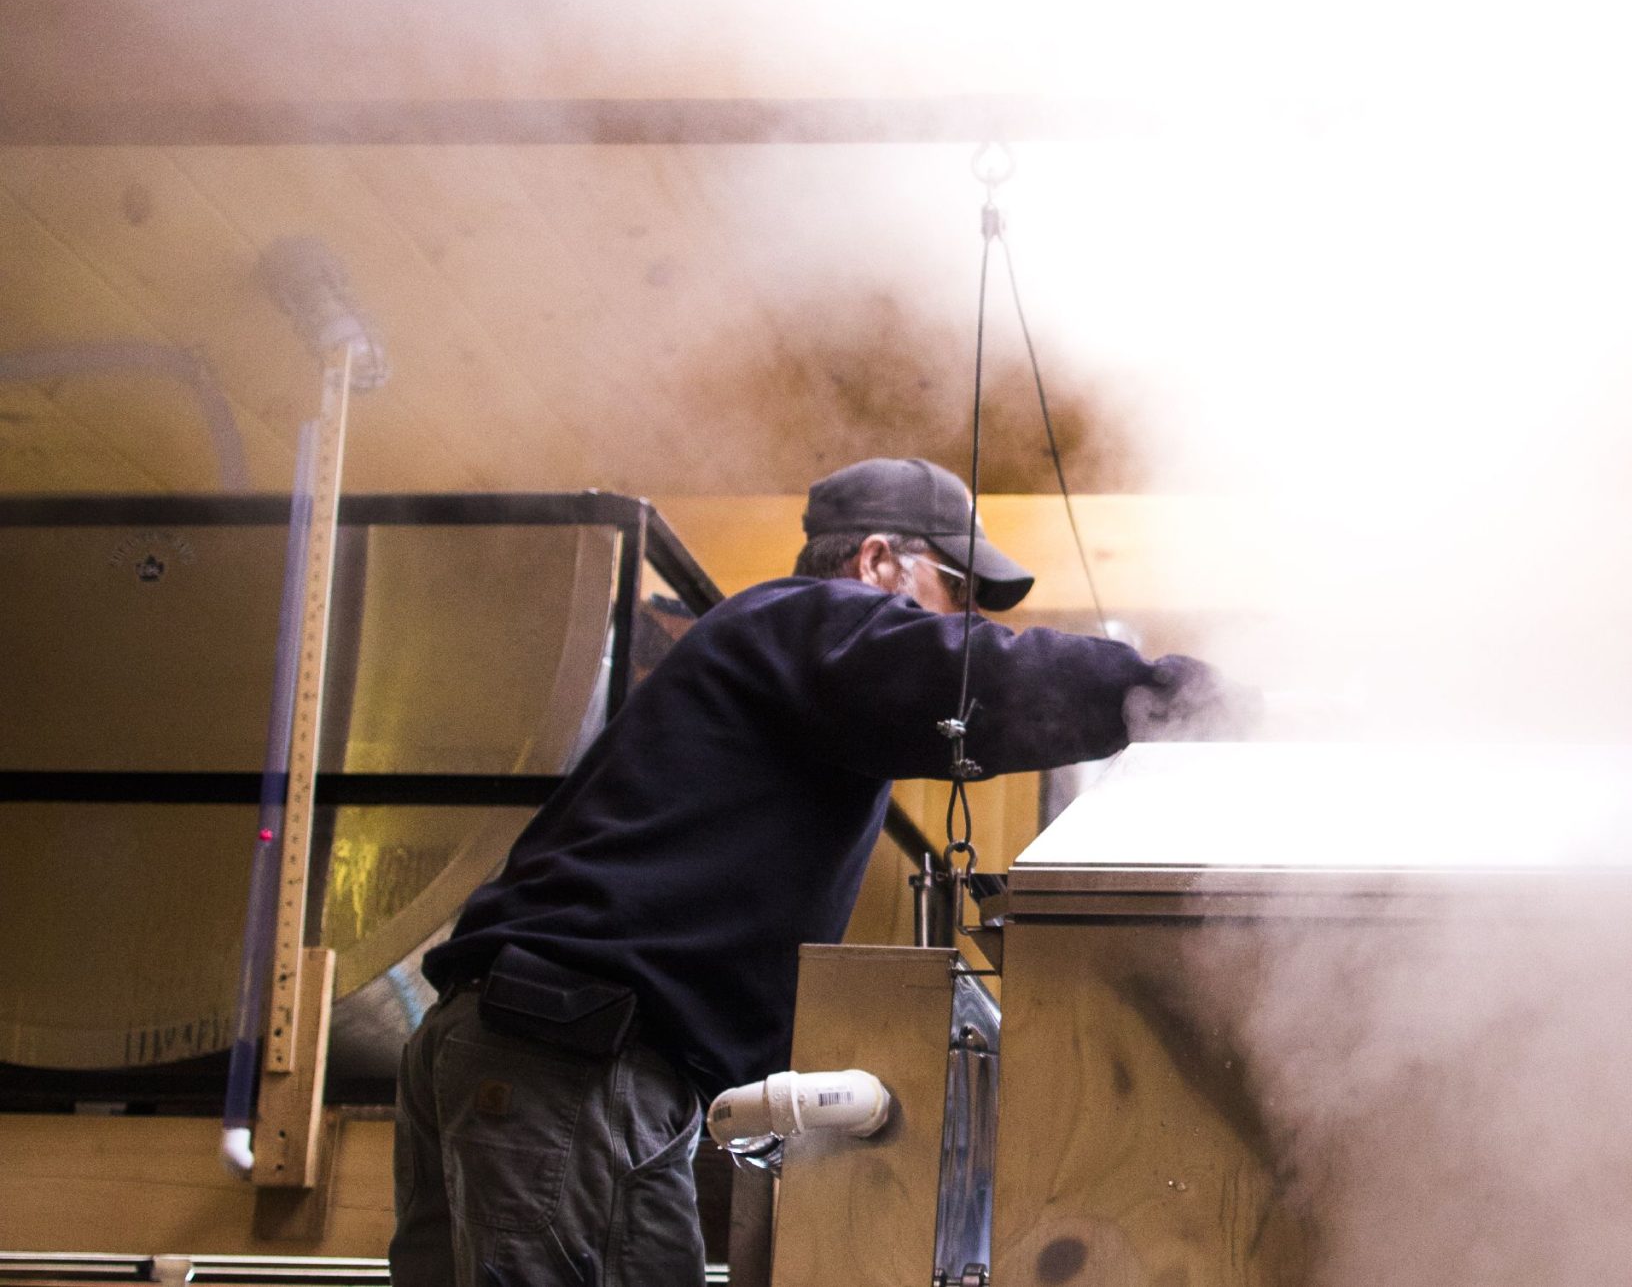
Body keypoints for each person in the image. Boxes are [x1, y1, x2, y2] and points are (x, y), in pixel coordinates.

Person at [390, 457, 1219, 1287]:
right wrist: (1173, 696)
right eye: (957, 587)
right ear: (876, 562)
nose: (964, 617)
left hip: (501, 1035)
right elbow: (975, 675)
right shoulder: (810, 619)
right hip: (576, 1051)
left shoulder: (770, 649)